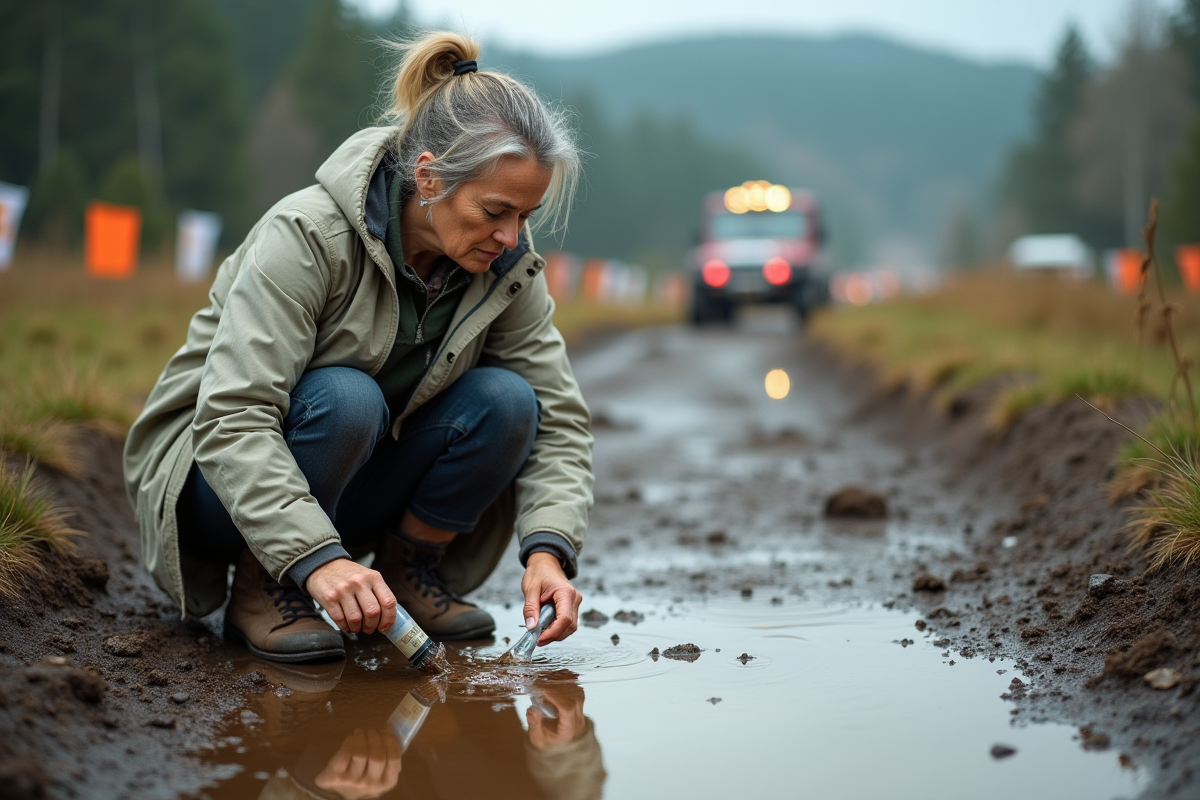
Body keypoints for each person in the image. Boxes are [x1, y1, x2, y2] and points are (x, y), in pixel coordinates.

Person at [122, 31, 591, 663]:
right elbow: (233, 418)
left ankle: (406, 572)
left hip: (354, 486)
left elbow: (558, 418)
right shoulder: (305, 235)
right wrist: (314, 558)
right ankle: (268, 585)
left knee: (509, 402)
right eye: (495, 211)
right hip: (219, 488)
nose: (511, 237)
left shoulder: (507, 266)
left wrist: (548, 551)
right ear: (429, 177)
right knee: (346, 397)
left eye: (525, 216)